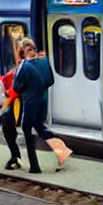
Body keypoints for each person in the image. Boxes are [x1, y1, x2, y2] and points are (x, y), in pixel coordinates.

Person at [14, 38, 72, 173]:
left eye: (28, 50)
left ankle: (34, 166)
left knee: (27, 130)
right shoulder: (44, 61)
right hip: (43, 100)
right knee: (40, 126)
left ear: (22, 53)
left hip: (30, 102)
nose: (30, 52)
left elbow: (17, 87)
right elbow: (50, 80)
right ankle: (61, 150)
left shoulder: (24, 67)